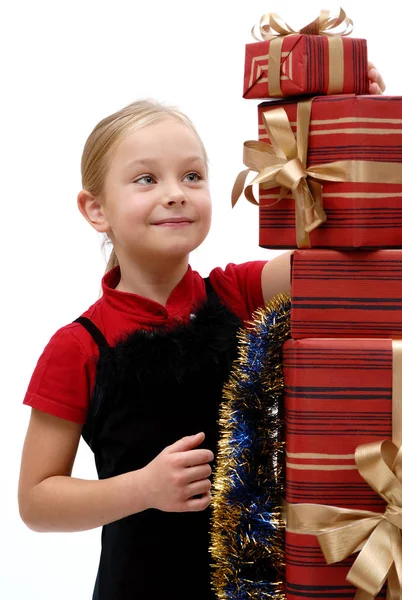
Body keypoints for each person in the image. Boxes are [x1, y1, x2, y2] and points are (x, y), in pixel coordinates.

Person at [18, 66, 385, 600]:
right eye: (147, 179)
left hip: (264, 581)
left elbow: (336, 251)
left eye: (192, 176)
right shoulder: (78, 346)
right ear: (96, 209)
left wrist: (346, 120)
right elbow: (37, 502)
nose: (176, 194)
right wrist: (142, 488)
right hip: (142, 586)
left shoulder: (236, 293)